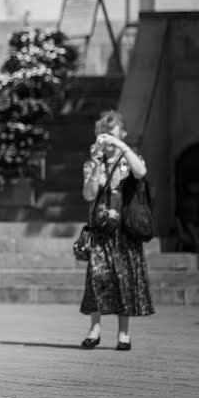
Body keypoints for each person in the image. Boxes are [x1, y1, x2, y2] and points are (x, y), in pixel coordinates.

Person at [80, 110, 154, 351]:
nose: (108, 141)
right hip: (101, 231)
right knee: (97, 279)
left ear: (122, 134)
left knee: (124, 280)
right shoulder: (94, 163)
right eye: (104, 135)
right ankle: (95, 329)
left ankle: (124, 334)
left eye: (112, 134)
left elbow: (141, 173)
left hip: (126, 231)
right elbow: (88, 195)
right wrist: (95, 166)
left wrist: (120, 145)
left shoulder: (130, 159)